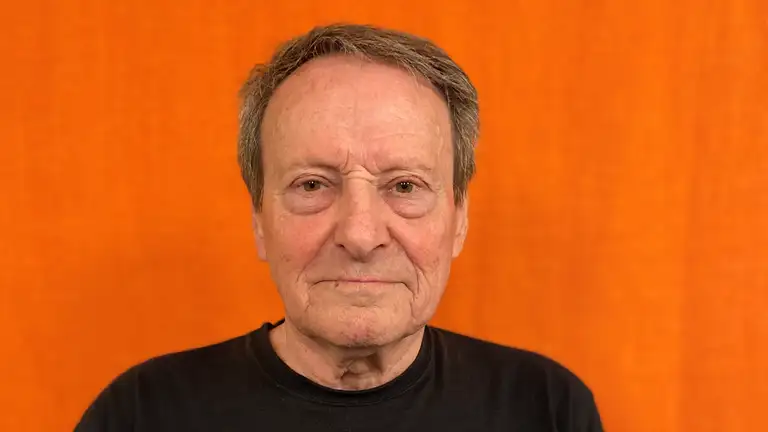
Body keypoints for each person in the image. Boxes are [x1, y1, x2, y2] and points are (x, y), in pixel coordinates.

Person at [75, 23, 603, 431]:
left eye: (404, 186)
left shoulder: (546, 409)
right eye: (312, 185)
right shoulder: (141, 414)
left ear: (459, 217)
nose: (361, 234)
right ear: (259, 218)